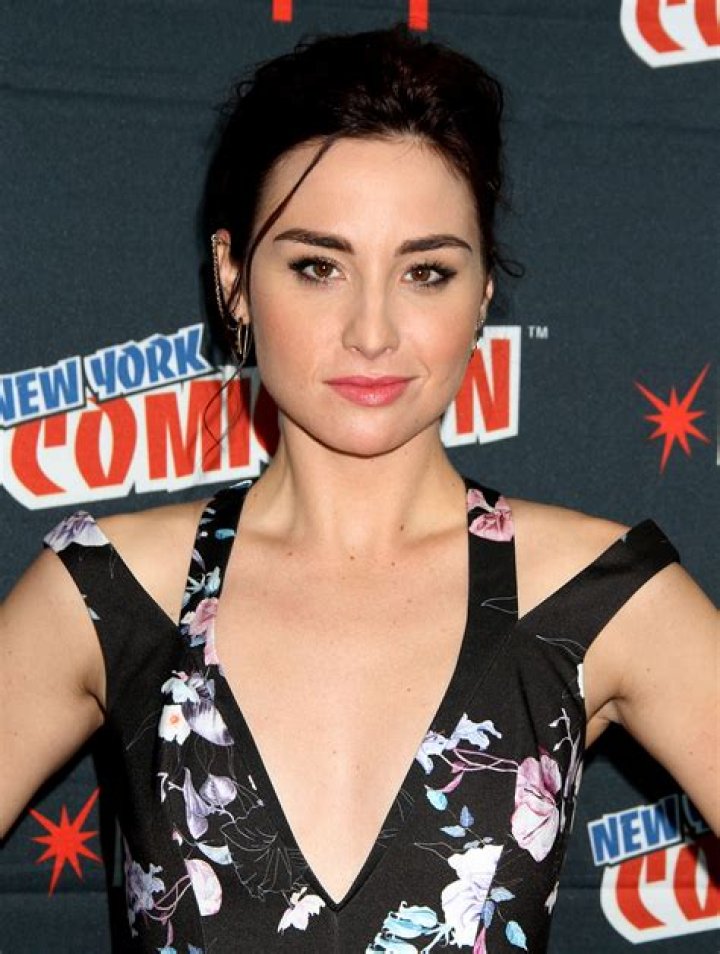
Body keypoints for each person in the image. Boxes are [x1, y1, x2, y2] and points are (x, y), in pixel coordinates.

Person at [1, 21, 717, 954]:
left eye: (426, 272)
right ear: (233, 279)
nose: (372, 332)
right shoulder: (107, 594)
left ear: (482, 293)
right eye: (318, 266)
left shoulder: (598, 598)